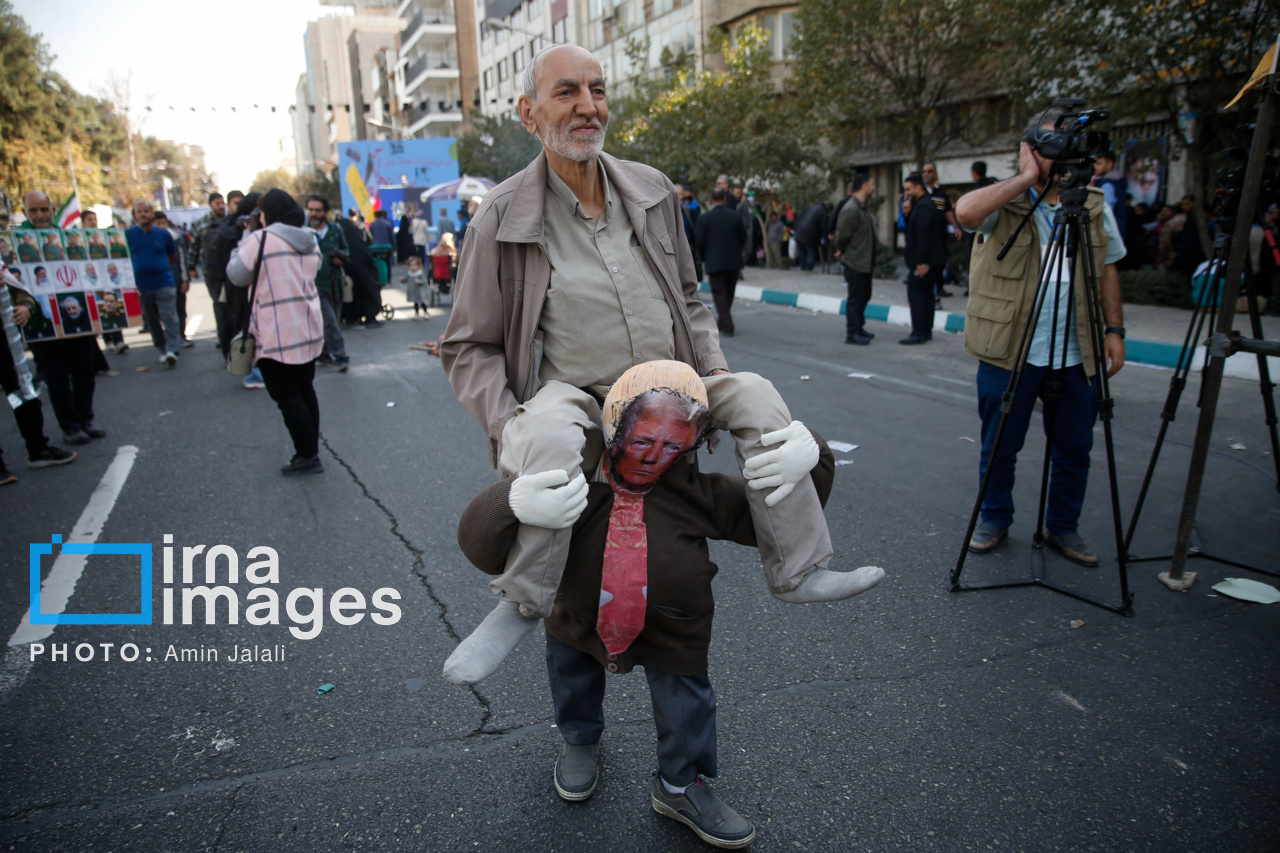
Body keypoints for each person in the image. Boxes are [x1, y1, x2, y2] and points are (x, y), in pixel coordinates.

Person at [440, 43, 880, 687]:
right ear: (529, 115)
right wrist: (512, 428)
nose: (589, 106)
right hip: (578, 398)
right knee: (552, 432)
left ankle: (798, 569)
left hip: (673, 387)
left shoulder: (650, 189)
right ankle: (521, 603)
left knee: (756, 393)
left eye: (598, 89)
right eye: (567, 92)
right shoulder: (501, 218)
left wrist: (712, 384)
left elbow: (691, 297)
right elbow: (468, 347)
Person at [455, 361, 859, 850]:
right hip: (576, 616)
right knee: (572, 675)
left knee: (686, 703)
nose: (653, 457)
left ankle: (681, 784)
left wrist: (810, 455)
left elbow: (764, 518)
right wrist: (513, 502)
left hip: (675, 628)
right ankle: (580, 741)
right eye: (643, 441)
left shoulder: (696, 492)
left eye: (673, 446)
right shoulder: (573, 489)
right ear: (612, 431)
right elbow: (480, 544)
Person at [956, 108, 1127, 565]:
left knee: (1075, 448)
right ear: (1029, 148)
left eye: (1068, 144)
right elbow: (965, 212)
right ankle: (994, 517)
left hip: (1077, 349)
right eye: (1051, 144)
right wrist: (1025, 175)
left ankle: (1063, 526)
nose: (1062, 155)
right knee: (999, 446)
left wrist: (1115, 329)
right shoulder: (1006, 202)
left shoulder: (1090, 205)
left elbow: (1109, 265)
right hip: (1008, 349)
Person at [227, 189, 325, 475]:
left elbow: (236, 274)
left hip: (275, 332)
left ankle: (307, 455)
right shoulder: (309, 239)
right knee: (305, 390)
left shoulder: (260, 240)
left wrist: (247, 236)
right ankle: (310, 451)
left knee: (287, 397)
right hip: (307, 326)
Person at [17, 192, 104, 444]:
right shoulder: (13, 242)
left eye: (44, 210)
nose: (40, 215)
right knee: (56, 377)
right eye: (33, 211)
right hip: (42, 322)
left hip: (74, 316)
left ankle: (85, 419)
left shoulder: (65, 238)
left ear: (53, 210)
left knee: (85, 371)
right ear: (25, 213)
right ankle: (70, 426)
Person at [0, 268, 78, 480]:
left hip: (8, 343)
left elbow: (21, 292)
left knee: (23, 394)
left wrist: (25, 307)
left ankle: (38, 449)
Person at [126, 200, 183, 367]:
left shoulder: (164, 234)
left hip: (164, 282)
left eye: (147, 211)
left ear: (152, 213)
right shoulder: (128, 235)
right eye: (140, 211)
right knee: (152, 321)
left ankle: (173, 349)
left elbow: (173, 256)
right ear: (135, 215)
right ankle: (163, 349)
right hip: (142, 285)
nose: (143, 214)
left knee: (169, 317)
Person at [305, 194, 351, 371]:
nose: (314, 213)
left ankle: (324, 354)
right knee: (329, 320)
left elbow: (346, 250)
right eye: (311, 210)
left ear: (325, 212)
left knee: (331, 321)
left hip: (334, 283)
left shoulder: (335, 230)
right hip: (313, 285)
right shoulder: (303, 232)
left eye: (317, 210)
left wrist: (341, 258)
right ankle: (341, 356)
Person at [693, 187, 746, 337]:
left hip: (714, 261)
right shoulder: (735, 216)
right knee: (728, 292)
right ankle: (724, 322)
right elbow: (743, 237)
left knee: (719, 293)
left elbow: (700, 242)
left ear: (711, 200)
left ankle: (727, 325)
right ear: (724, 199)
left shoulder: (705, 218)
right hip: (733, 261)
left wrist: (704, 257)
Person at [901, 173, 947, 345]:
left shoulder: (924, 207)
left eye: (908, 189)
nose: (906, 193)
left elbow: (924, 236)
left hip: (923, 262)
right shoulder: (921, 205)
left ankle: (919, 331)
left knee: (918, 295)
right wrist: (906, 214)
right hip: (928, 260)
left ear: (918, 187)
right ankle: (924, 331)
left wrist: (921, 261)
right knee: (926, 295)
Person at [834, 174, 878, 346]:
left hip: (864, 262)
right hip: (855, 262)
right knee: (855, 298)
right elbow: (842, 236)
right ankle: (852, 333)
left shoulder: (862, 208)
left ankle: (859, 327)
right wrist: (843, 251)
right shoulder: (851, 209)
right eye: (872, 184)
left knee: (864, 296)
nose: (874, 188)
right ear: (864, 185)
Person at [189, 192, 230, 347]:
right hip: (211, 272)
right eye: (217, 203)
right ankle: (223, 337)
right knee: (219, 305)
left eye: (222, 203)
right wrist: (191, 267)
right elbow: (194, 247)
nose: (221, 206)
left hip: (230, 271)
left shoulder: (230, 221)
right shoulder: (201, 224)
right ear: (210, 205)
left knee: (232, 306)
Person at [152, 211, 193, 349]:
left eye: (163, 223)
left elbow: (182, 260)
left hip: (176, 280)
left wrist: (185, 280)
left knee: (180, 309)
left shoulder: (176, 238)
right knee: (165, 312)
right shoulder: (150, 240)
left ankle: (181, 336)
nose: (161, 226)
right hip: (159, 283)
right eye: (158, 224)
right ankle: (169, 339)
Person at [921, 161, 959, 301]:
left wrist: (955, 227)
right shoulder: (920, 191)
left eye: (929, 171)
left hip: (939, 236)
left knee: (939, 263)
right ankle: (929, 291)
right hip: (925, 236)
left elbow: (947, 211)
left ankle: (939, 288)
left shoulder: (941, 193)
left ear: (935, 173)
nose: (926, 174)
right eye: (924, 171)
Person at [1090, 149, 1128, 235]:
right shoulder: (1112, 181)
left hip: (1108, 234)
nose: (1095, 166)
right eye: (1094, 163)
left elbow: (1104, 213)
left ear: (1110, 164)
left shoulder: (1108, 185)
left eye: (1099, 163)